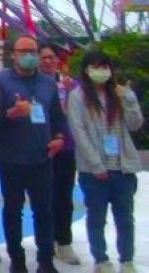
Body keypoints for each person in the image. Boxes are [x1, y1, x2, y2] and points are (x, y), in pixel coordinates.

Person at [0, 36, 67, 273]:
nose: (29, 56)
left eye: (32, 51)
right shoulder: (0, 80)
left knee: (44, 211)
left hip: (42, 156)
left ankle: (46, 260)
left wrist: (59, 138)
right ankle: (17, 259)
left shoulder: (48, 83)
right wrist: (10, 113)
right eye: (23, 51)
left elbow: (57, 116)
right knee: (13, 211)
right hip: (11, 158)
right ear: (12, 54)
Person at [67, 50, 142, 273]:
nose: (100, 71)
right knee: (97, 218)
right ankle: (101, 260)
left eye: (104, 67)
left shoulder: (117, 95)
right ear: (86, 70)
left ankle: (126, 260)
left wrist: (129, 98)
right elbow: (79, 133)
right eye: (95, 67)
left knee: (125, 218)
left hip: (123, 167)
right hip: (94, 171)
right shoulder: (78, 97)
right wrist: (96, 165)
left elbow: (135, 124)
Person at [37, 43, 80, 266]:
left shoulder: (71, 85)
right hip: (40, 148)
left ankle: (64, 241)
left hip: (66, 147)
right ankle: (47, 240)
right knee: (44, 197)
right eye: (43, 57)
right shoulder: (33, 85)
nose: (48, 61)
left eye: (51, 57)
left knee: (64, 196)